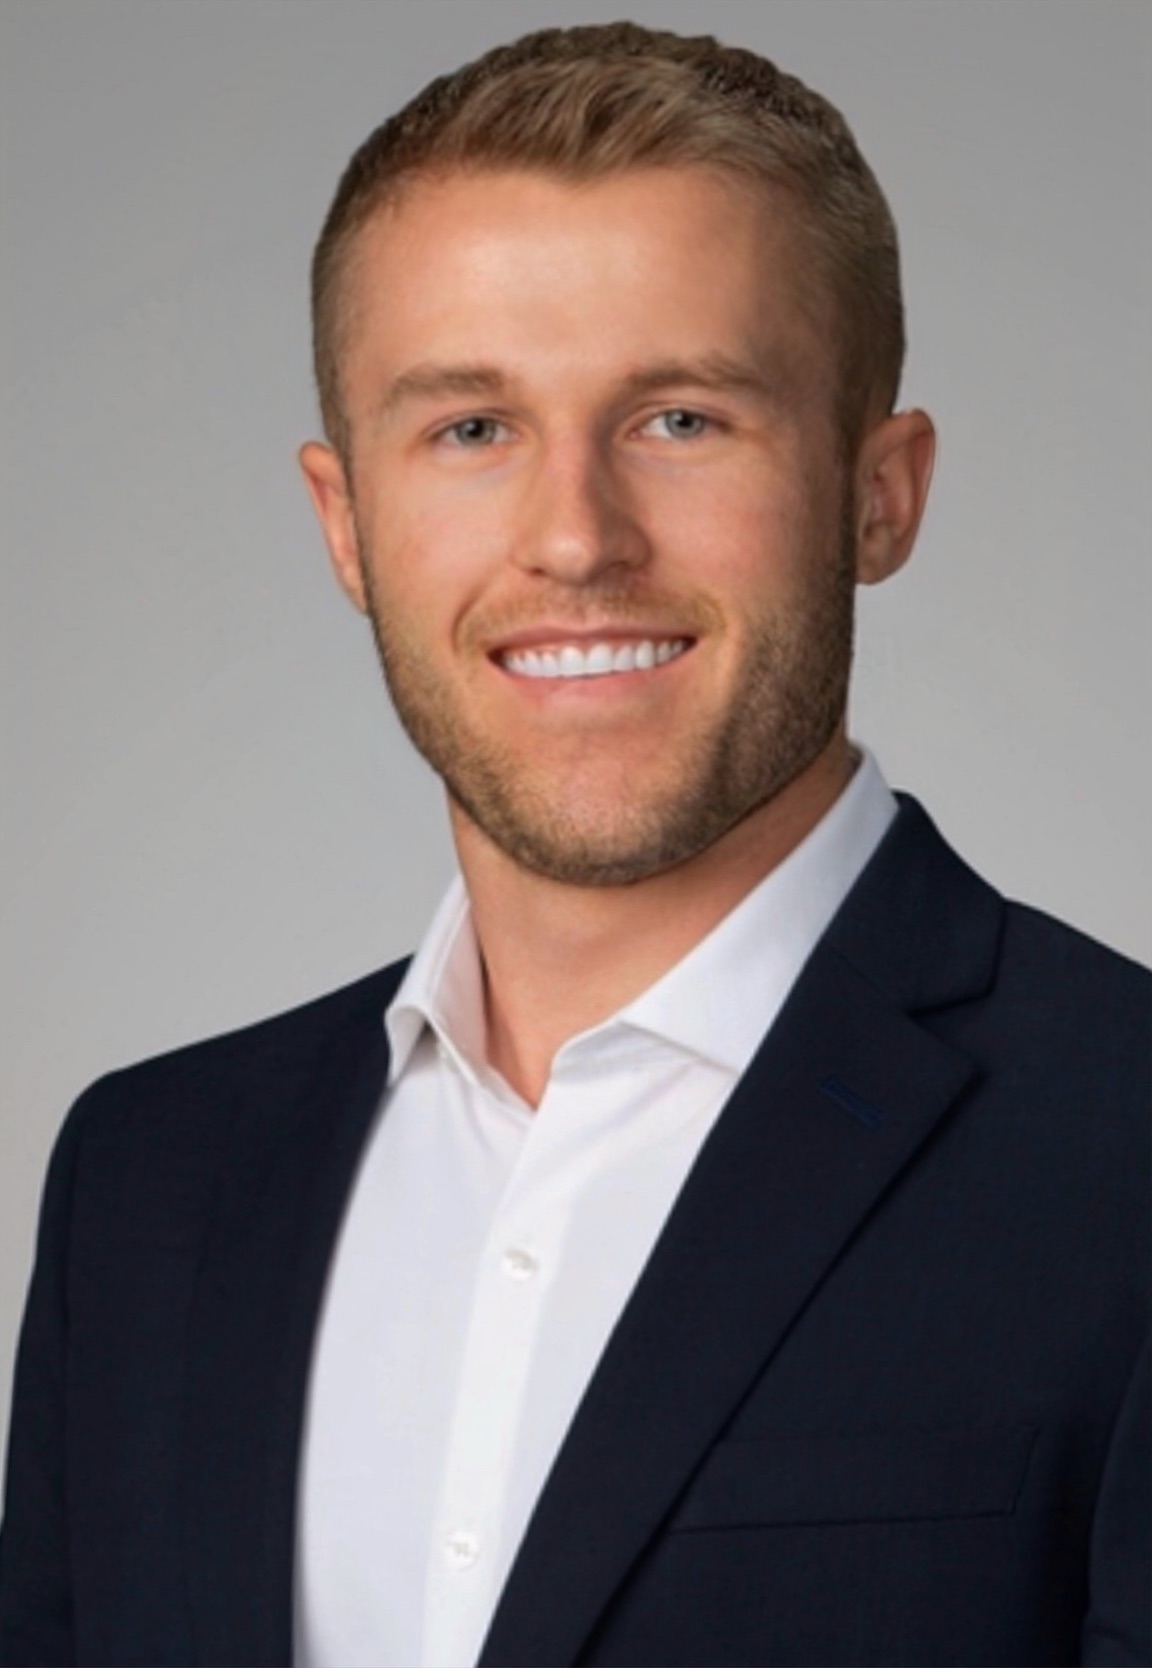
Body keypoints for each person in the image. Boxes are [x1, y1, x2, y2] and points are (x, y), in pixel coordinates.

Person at [0, 20, 1147, 1668]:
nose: (574, 540)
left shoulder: (1122, 1146)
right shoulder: (145, 1182)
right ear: (345, 523)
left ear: (880, 495)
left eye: (680, 419)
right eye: (472, 428)